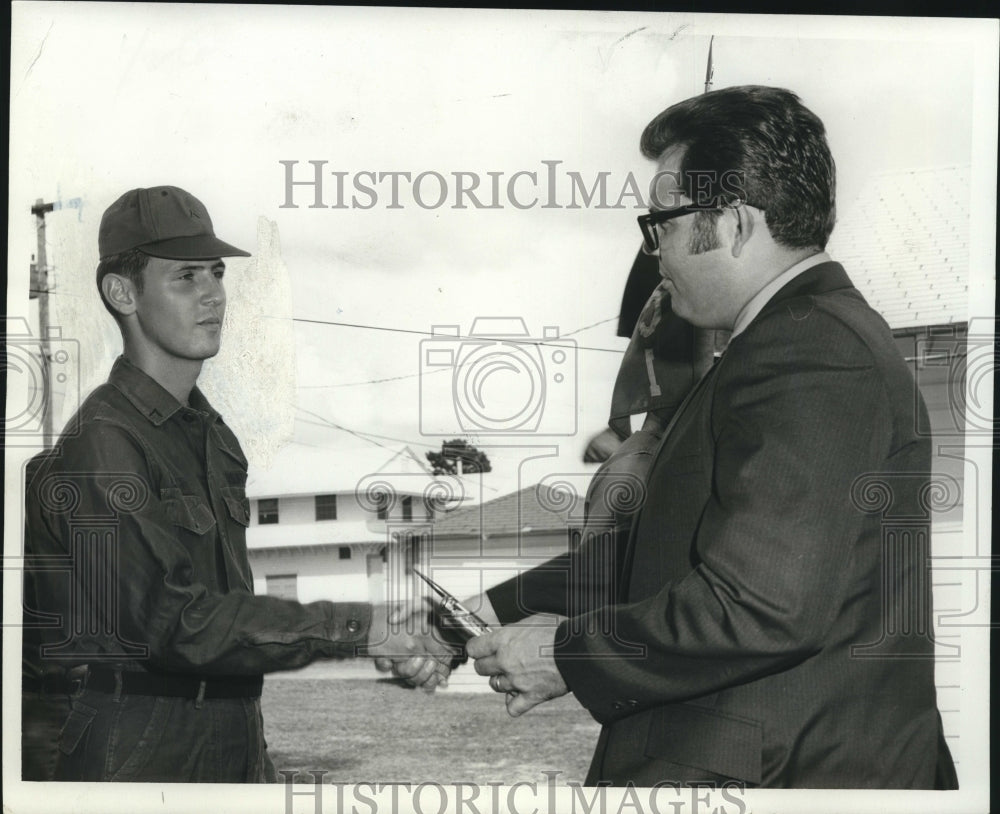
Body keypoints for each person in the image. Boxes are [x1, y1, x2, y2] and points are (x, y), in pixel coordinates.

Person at [460, 86, 957, 788]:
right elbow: (660, 556)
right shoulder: (772, 348)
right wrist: (495, 609)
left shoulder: (813, 350)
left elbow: (760, 604)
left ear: (735, 223)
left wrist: (568, 655)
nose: (654, 249)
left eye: (660, 221)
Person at [21, 186, 453, 783]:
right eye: (186, 277)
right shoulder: (103, 440)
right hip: (138, 743)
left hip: (233, 728)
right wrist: (360, 626)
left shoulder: (214, 438)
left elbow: (230, 617)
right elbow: (173, 623)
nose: (214, 295)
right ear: (122, 293)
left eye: (218, 273)